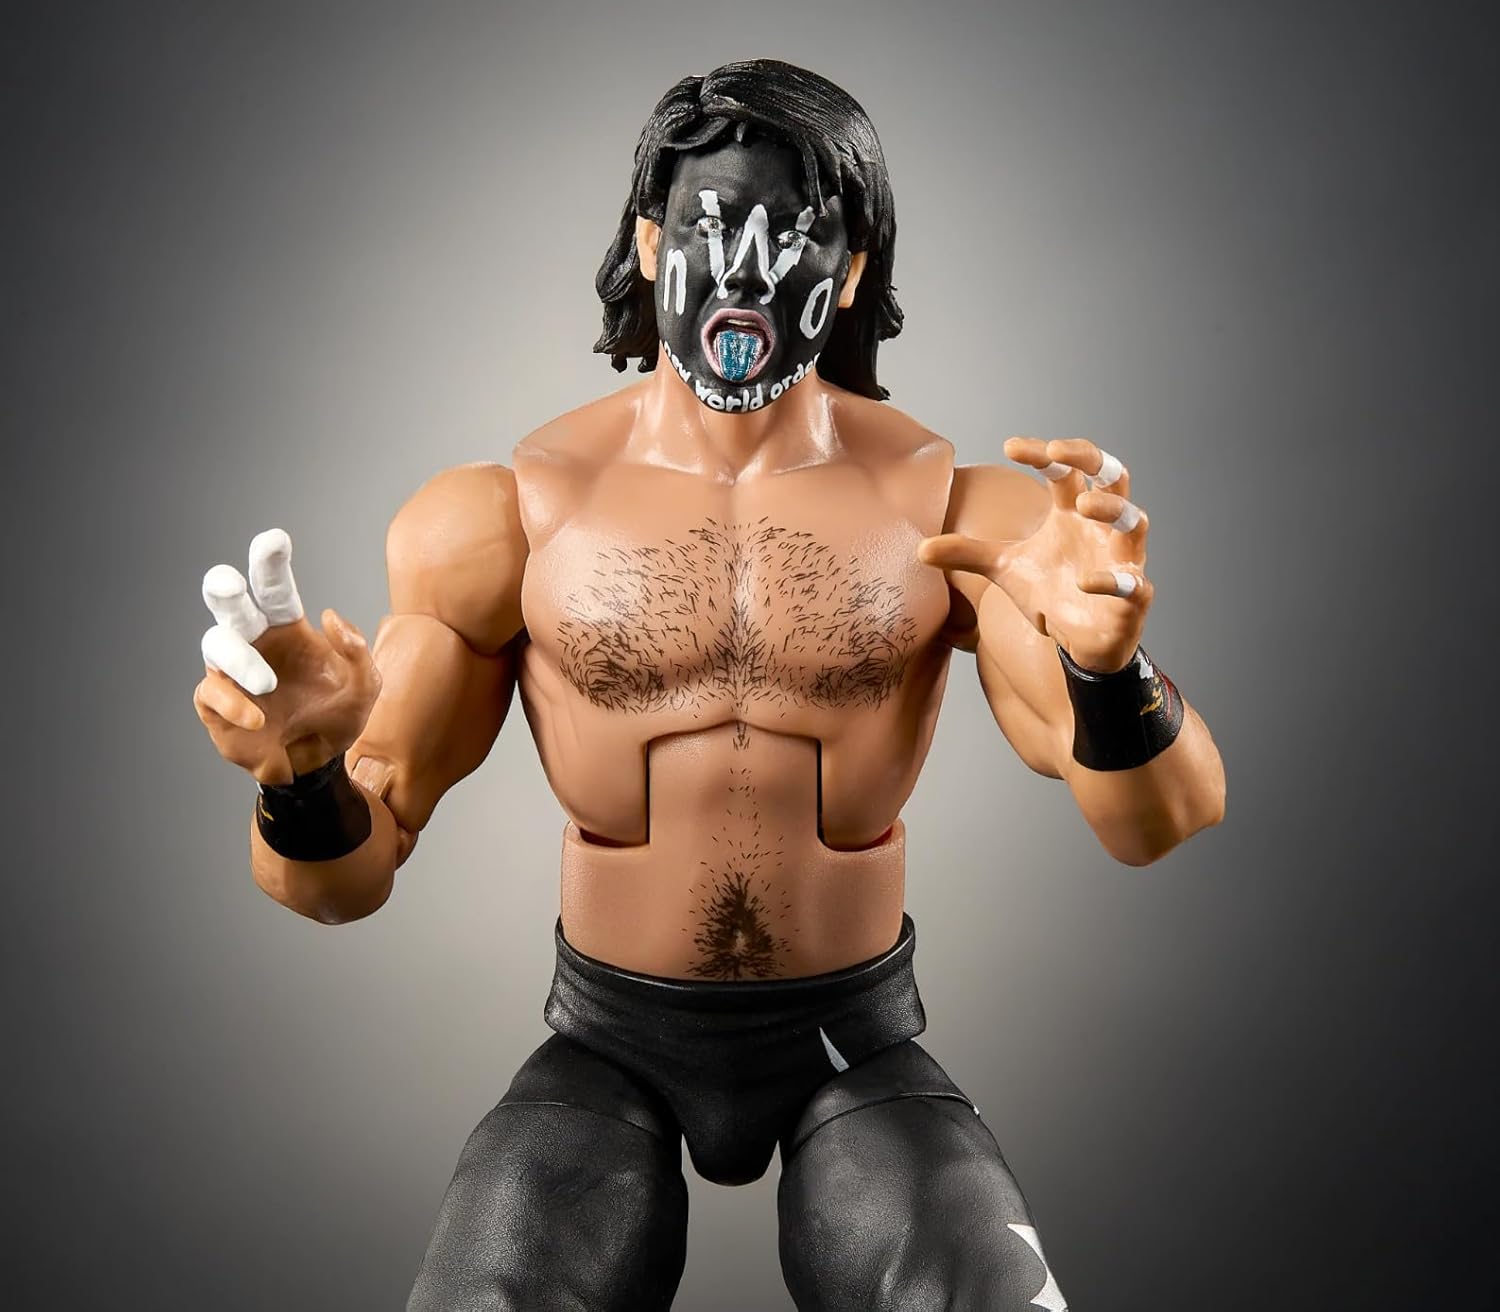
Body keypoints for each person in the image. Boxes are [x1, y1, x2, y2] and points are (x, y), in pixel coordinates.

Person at [193, 59, 1224, 1312]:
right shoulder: (510, 515)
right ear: (648, 241)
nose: (743, 271)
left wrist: (1107, 670)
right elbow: (339, 881)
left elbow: (1161, 818)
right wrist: (302, 777)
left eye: (790, 236)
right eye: (708, 226)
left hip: (853, 1034)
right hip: (608, 1037)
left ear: (850, 268)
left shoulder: (954, 515)